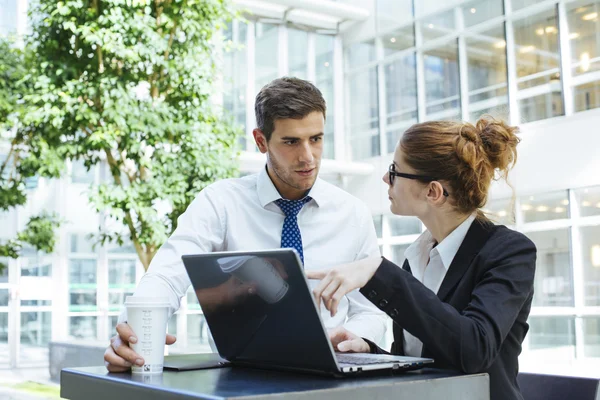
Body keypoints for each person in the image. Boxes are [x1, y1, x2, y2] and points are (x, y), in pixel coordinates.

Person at [104, 77, 387, 372]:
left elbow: (372, 312)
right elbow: (166, 275)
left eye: (316, 139)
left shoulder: (353, 214)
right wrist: (132, 329)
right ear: (261, 140)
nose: (308, 157)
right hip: (240, 379)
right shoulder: (221, 202)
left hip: (333, 376)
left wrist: (357, 338)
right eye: (291, 142)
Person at [307, 117, 536, 400]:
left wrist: (379, 271)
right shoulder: (417, 256)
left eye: (395, 171)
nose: (384, 179)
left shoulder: (509, 251)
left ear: (433, 192)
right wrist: (370, 351)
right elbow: (424, 359)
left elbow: (475, 349)